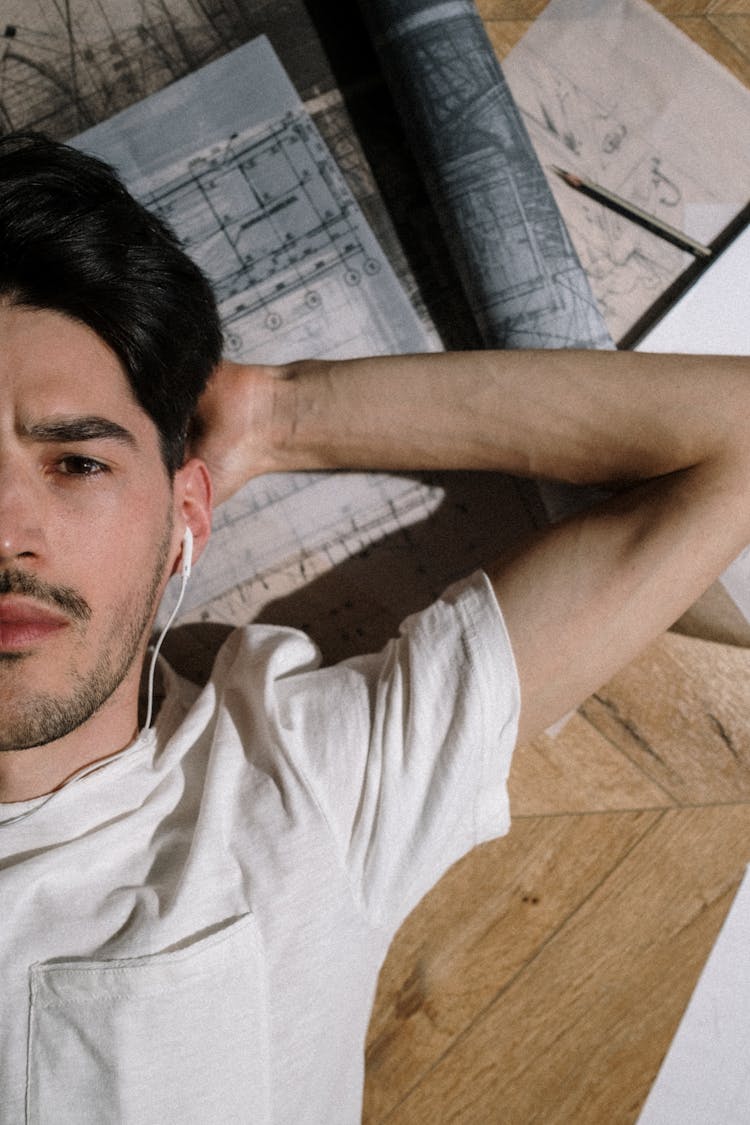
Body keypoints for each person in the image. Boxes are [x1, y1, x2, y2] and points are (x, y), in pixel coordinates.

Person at [0, 130, 748, 1124]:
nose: (9, 530)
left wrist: (280, 413)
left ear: (185, 519)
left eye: (77, 464)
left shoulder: (308, 788)